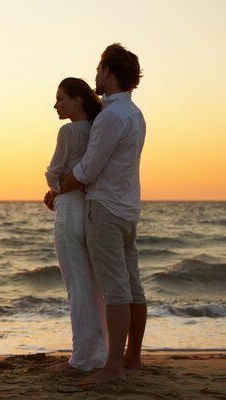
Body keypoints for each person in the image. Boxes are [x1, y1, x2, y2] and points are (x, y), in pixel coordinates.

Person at [46, 43, 147, 383]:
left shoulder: (111, 118)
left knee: (114, 289)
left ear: (108, 71)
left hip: (104, 207)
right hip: (129, 207)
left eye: (99, 69)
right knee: (132, 286)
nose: (95, 76)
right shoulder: (133, 114)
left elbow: (88, 169)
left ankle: (113, 366)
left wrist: (56, 189)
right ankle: (132, 358)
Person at [44, 78, 107, 372]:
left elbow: (54, 173)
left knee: (77, 287)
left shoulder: (68, 131)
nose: (55, 105)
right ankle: (98, 353)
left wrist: (54, 188)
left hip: (69, 210)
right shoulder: (96, 129)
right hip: (88, 209)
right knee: (92, 285)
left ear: (77, 100)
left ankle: (82, 358)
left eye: (60, 99)